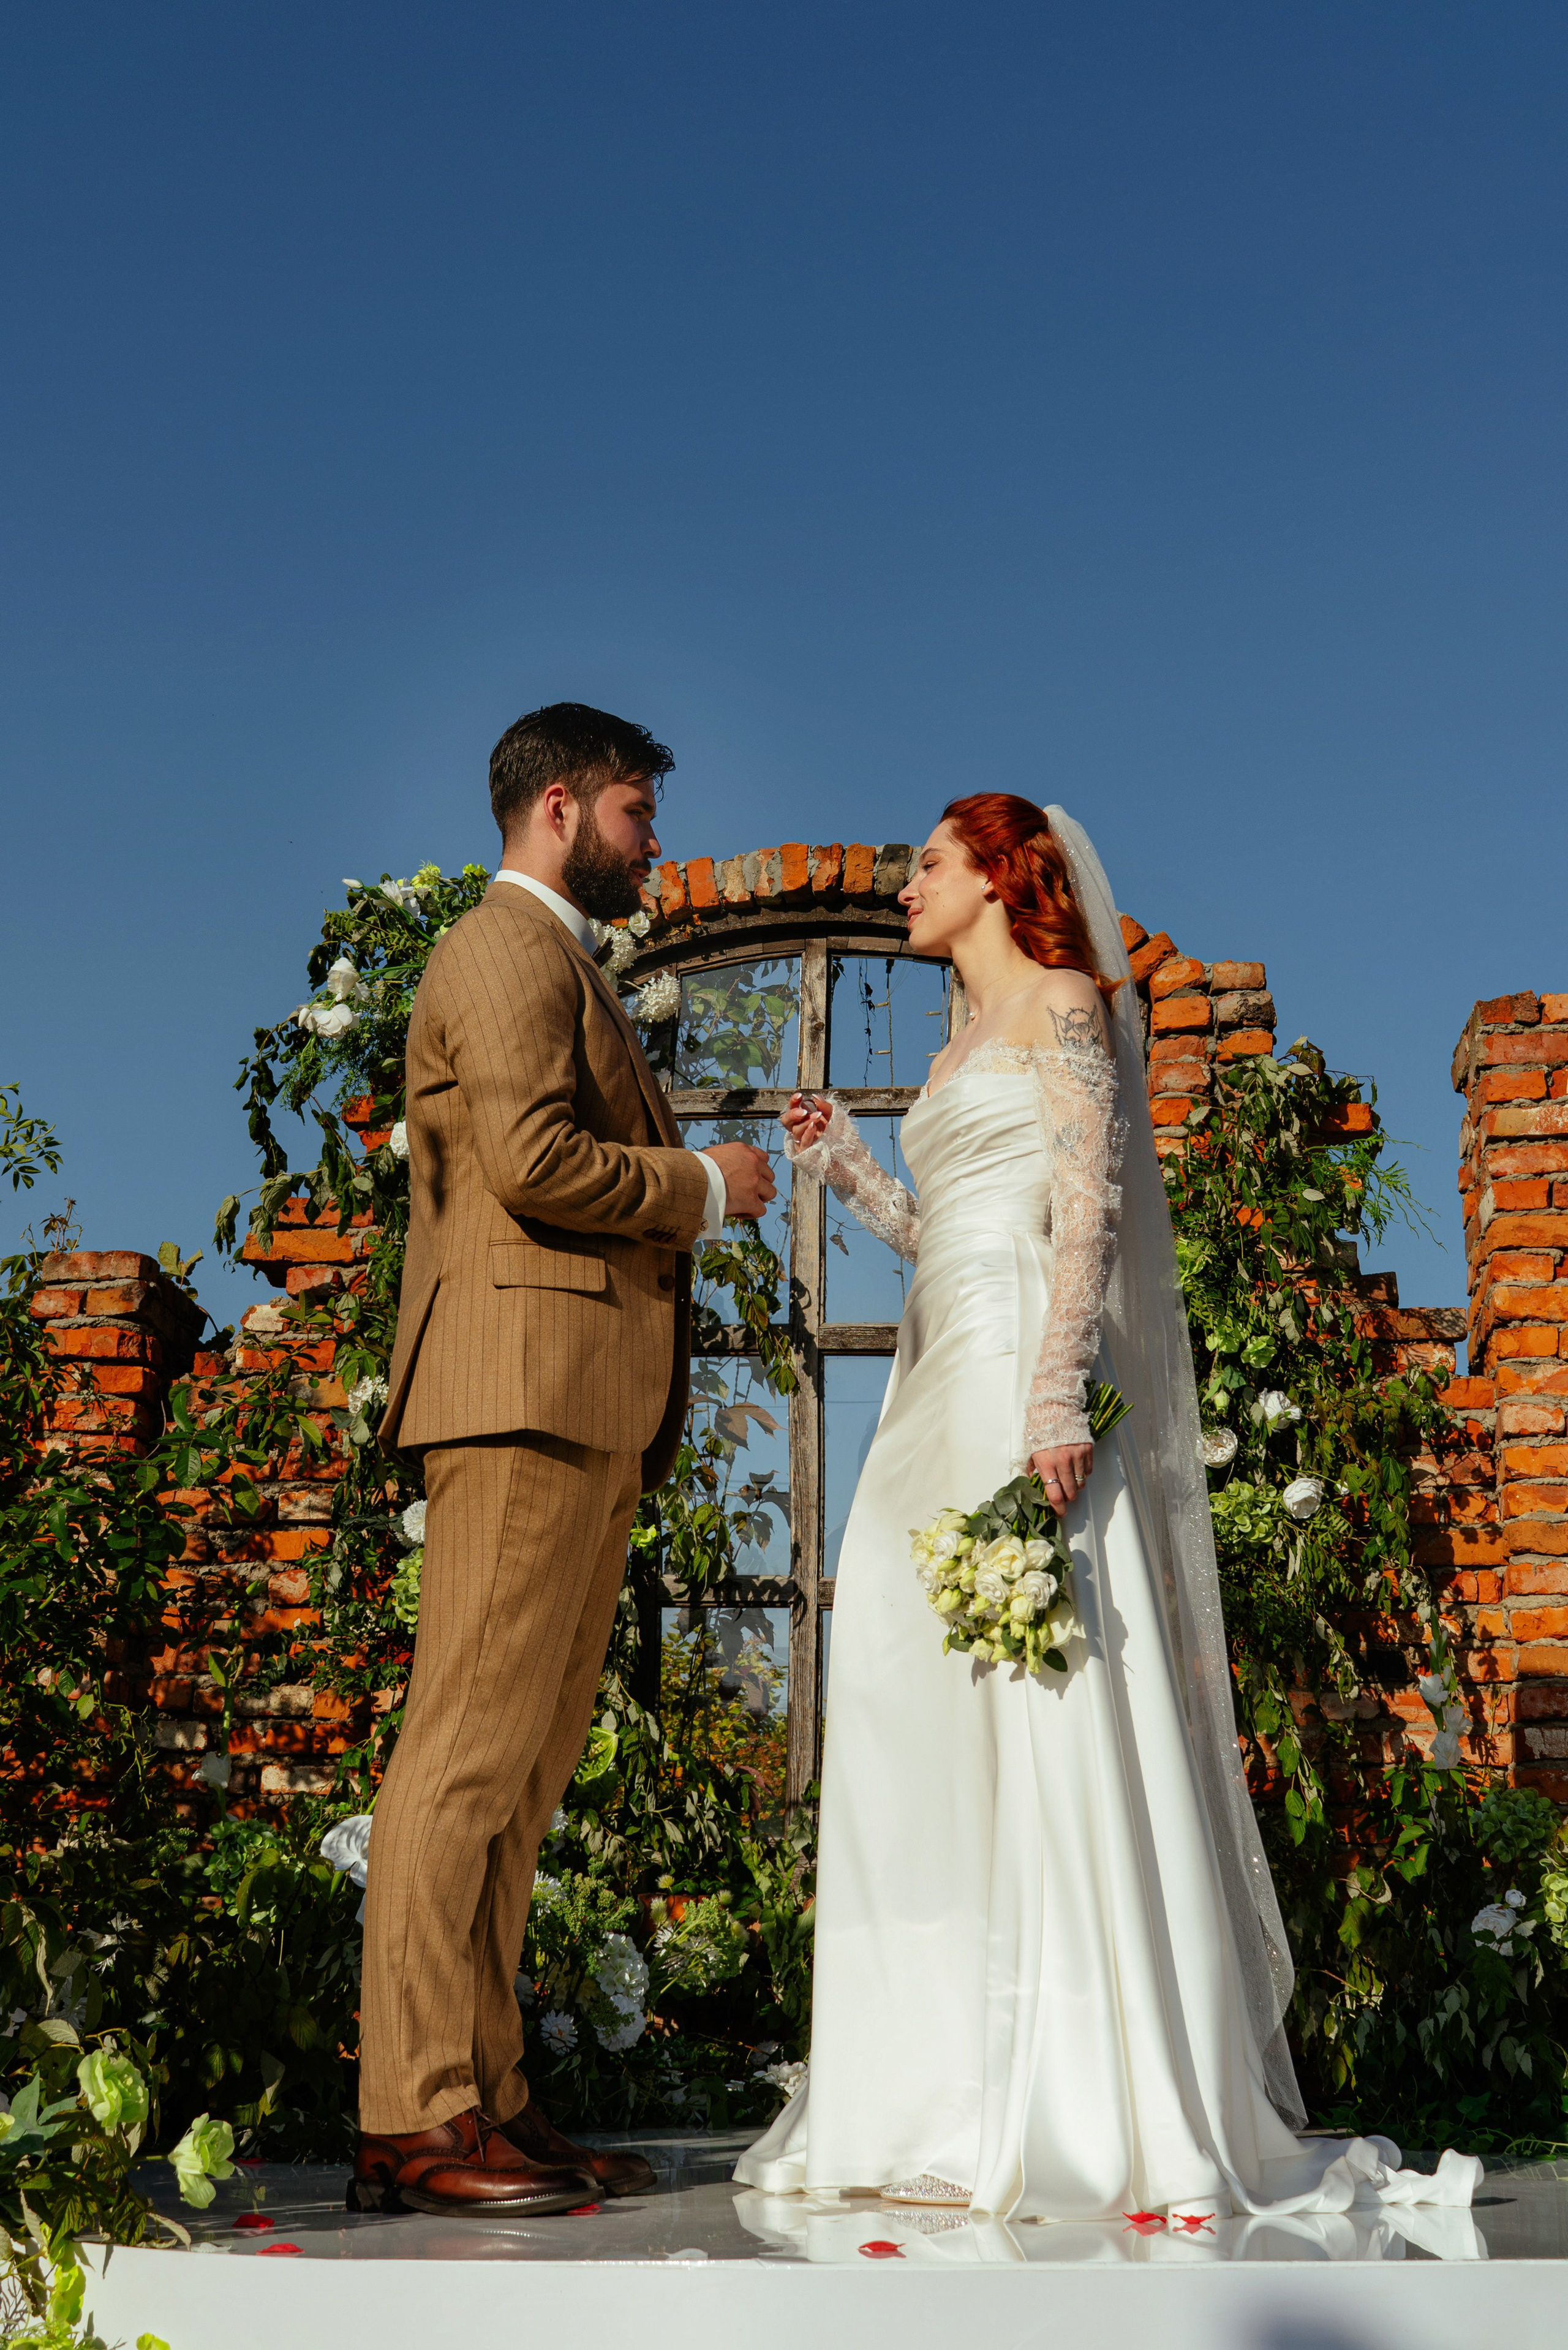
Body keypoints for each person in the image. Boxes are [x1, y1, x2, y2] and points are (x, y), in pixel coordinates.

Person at [734, 796, 1479, 2226]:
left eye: (930, 865)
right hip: (930, 1369)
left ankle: (1076, 2079)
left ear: (999, 879)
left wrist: (1057, 1393)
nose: (907, 886)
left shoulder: (1067, 1002)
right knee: (906, 1671)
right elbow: (945, 1228)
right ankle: (923, 2081)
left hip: (1022, 1362)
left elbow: (1085, 1205)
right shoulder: (953, 1048)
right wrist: (847, 1169)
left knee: (1044, 1684)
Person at [351, 702, 775, 2216]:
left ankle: (489, 2097)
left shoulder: (557, 957)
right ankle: (413, 2112)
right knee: (463, 1756)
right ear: (556, 807)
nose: (651, 839)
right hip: (516, 1395)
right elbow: (532, 1161)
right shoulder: (503, 947)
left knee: (517, 1780)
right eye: (634, 811)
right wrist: (704, 1187)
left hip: (576, 1403)